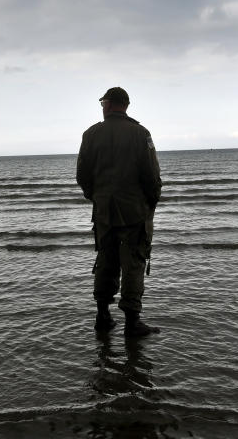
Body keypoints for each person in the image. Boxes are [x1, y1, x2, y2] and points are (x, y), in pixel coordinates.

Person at [77, 87, 162, 337]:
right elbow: (151, 175)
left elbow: (82, 175)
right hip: (134, 211)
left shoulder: (91, 134)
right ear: (125, 105)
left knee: (106, 262)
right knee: (133, 263)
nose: (101, 107)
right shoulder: (140, 133)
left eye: (102, 102)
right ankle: (132, 323)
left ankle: (103, 316)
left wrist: (96, 196)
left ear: (110, 104)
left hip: (104, 212)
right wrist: (151, 202)